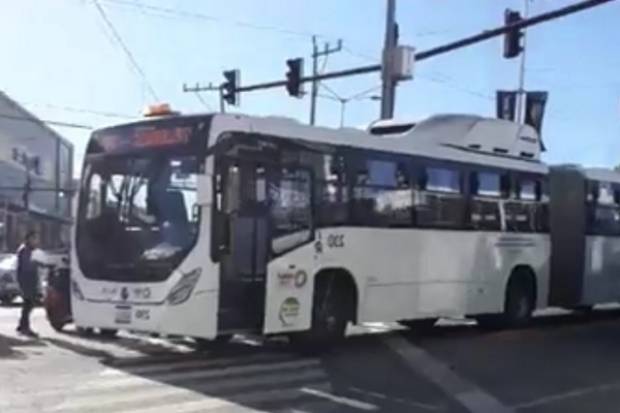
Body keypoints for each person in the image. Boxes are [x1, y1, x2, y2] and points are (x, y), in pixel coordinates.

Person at [16, 231, 40, 338]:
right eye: (34, 239)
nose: (36, 241)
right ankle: (25, 328)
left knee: (28, 304)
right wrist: (36, 262)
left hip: (29, 281)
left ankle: (22, 325)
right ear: (28, 239)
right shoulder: (25, 250)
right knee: (28, 304)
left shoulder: (29, 250)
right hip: (27, 281)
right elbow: (27, 267)